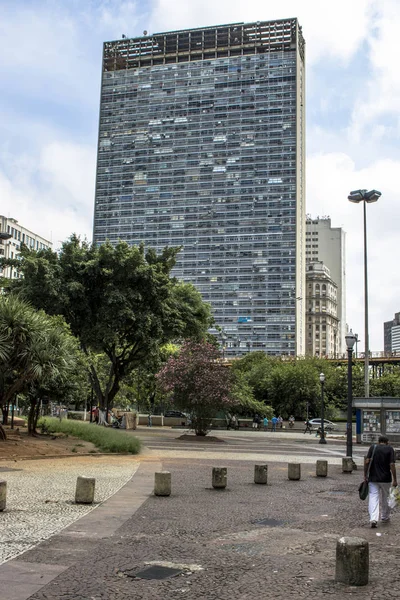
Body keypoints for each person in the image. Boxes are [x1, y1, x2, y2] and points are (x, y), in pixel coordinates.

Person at [364, 435, 397, 528]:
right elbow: (392, 464)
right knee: (386, 498)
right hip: (386, 478)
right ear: (387, 442)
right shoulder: (390, 449)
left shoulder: (373, 447)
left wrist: (365, 475)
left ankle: (373, 518)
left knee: (373, 497)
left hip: (373, 478)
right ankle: (384, 516)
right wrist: (395, 479)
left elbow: (366, 461)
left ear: (379, 441)